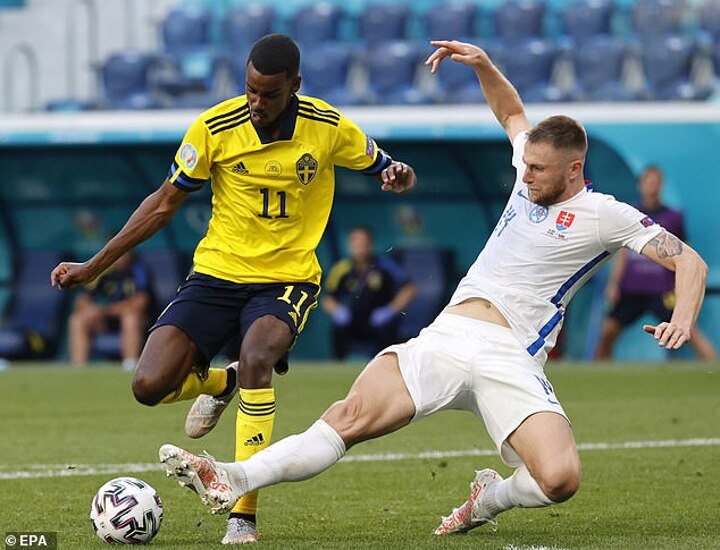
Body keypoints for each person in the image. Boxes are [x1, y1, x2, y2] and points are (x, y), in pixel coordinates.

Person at [158, 40, 708, 538]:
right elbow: (511, 113)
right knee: (349, 416)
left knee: (560, 479)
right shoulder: (529, 168)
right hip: (449, 335)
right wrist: (485, 64)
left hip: (512, 356)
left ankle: (487, 500)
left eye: (538, 170)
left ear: (574, 170)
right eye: (526, 165)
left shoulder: (604, 214)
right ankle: (232, 477)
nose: (525, 176)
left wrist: (682, 318)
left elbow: (689, 261)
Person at [50, 34, 416, 544]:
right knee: (148, 386)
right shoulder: (215, 128)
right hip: (217, 274)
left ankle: (242, 514)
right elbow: (163, 204)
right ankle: (223, 384)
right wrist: (93, 266)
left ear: (295, 86)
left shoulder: (328, 126)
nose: (256, 102)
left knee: (258, 357)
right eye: (250, 90)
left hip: (287, 278)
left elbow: (386, 166)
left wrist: (398, 175)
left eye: (269, 94)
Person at [595, 166, 716, 360]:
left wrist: (681, 286)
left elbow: (687, 257)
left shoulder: (674, 217)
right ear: (640, 185)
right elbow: (623, 254)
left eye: (655, 182)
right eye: (648, 182)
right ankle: (598, 372)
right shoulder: (629, 214)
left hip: (662, 290)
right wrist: (613, 284)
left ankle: (714, 366)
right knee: (608, 331)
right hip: (632, 288)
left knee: (687, 329)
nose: (651, 186)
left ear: (661, 185)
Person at [321, 225, 417, 359]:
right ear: (350, 246)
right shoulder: (341, 268)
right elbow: (327, 298)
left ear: (370, 244)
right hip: (352, 321)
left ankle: (383, 363)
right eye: (356, 244)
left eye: (363, 243)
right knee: (338, 328)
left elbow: (409, 289)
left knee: (387, 332)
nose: (360, 248)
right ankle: (338, 364)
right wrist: (338, 311)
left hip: (379, 321)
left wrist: (390, 310)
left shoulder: (385, 265)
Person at [68, 250, 150, 370]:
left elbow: (141, 303)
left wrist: (108, 310)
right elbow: (82, 300)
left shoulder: (139, 269)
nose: (119, 257)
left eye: (122, 252)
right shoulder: (103, 270)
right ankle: (79, 369)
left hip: (138, 323)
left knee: (130, 317)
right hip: (104, 321)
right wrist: (92, 309)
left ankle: (130, 366)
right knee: (77, 319)